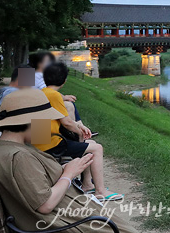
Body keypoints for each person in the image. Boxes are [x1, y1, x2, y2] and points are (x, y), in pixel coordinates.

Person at [0, 89, 146, 233]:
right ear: (30, 121)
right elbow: (45, 205)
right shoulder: (19, 157)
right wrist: (69, 173)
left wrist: (66, 169)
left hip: (65, 216)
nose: (46, 127)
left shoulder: (14, 147)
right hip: (58, 227)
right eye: (44, 121)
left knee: (124, 230)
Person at [37, 62, 122, 202]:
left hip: (41, 140)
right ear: (64, 81)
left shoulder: (42, 93)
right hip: (51, 145)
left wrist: (79, 127)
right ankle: (101, 191)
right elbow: (67, 122)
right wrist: (81, 130)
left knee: (90, 144)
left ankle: (87, 184)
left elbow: (61, 119)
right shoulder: (54, 95)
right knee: (97, 148)